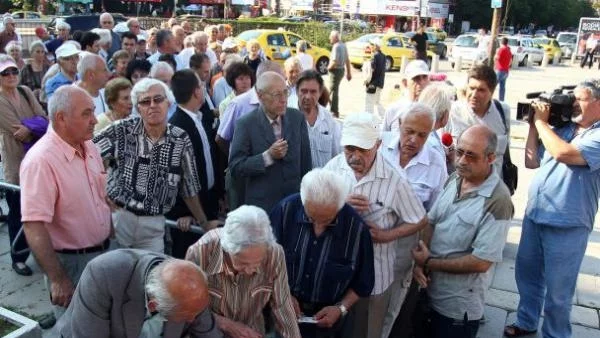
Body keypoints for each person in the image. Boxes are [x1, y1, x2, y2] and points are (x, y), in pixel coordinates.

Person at [504, 80, 600, 338]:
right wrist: (534, 128)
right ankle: (526, 321)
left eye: (581, 99)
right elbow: (531, 161)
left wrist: (541, 123)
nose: (574, 105)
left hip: (568, 224)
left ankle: (556, 334)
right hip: (537, 215)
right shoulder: (564, 128)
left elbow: (564, 154)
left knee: (559, 292)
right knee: (528, 277)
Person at [323, 112, 427, 338]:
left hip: (376, 273)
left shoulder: (394, 179)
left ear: (378, 145)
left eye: (363, 149)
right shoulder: (333, 167)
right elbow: (314, 207)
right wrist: (340, 204)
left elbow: (419, 218)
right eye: (350, 148)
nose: (355, 156)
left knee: (368, 330)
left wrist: (388, 235)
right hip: (338, 270)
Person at [93, 78, 217, 253]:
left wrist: (203, 223)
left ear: (168, 102)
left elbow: (188, 186)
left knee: (152, 276)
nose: (152, 105)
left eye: (158, 99)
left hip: (154, 224)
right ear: (138, 108)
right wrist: (100, 191)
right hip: (120, 219)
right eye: (145, 101)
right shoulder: (121, 130)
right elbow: (87, 156)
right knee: (117, 277)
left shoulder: (180, 138)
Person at [412, 125, 513, 338]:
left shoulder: (498, 201)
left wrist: (429, 262)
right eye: (459, 152)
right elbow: (431, 221)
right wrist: (421, 262)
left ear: (490, 158)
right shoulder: (456, 178)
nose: (462, 161)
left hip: (457, 309)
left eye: (471, 156)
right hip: (429, 293)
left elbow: (481, 261)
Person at [20, 85, 112, 319]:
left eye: (93, 111)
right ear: (61, 118)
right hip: (70, 264)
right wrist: (58, 279)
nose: (94, 120)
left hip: (102, 254)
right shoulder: (41, 161)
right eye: (86, 114)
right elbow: (33, 225)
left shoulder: (89, 145)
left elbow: (99, 196)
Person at [270, 168, 375, 338]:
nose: (318, 226)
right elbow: (265, 263)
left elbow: (363, 282)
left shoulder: (357, 229)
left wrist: (340, 308)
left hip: (331, 321)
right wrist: (283, 296)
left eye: (327, 220)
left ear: (340, 206)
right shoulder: (284, 211)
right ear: (304, 202)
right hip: (286, 313)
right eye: (311, 218)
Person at [378, 103, 448, 337]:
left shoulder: (436, 163)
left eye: (422, 135)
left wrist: (422, 259)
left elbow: (434, 216)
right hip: (370, 241)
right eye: (409, 131)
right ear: (398, 125)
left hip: (404, 251)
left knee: (392, 310)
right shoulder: (378, 147)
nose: (414, 140)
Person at [186, 205, 301, 338]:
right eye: (243, 263)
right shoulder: (200, 252)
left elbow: (283, 307)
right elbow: (188, 308)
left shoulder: (274, 253)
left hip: (252, 332)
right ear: (227, 249)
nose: (250, 270)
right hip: (209, 332)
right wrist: (226, 324)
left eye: (257, 263)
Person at [54, 249, 222, 338]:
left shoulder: (188, 289)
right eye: (187, 316)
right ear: (153, 305)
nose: (193, 320)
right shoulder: (102, 274)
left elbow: (208, 332)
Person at [229, 71, 312, 212]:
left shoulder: (297, 118)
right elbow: (236, 167)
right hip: (263, 208)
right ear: (260, 96)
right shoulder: (246, 124)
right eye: (277, 94)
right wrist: (267, 156)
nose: (283, 99)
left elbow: (306, 163)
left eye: (285, 92)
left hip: (294, 203)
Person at [0, 56, 47, 276]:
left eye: (13, 71)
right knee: (17, 211)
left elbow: (43, 118)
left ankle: (39, 251)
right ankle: (17, 257)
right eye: (5, 73)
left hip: (36, 157)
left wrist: (30, 127)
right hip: (15, 159)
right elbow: (14, 129)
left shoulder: (25, 92)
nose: (10, 76)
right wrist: (33, 126)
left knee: (38, 209)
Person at [167, 69, 221, 259]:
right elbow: (175, 177)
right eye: (201, 86)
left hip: (208, 203)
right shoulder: (177, 127)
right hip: (188, 218)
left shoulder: (199, 118)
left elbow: (209, 160)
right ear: (197, 92)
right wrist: (186, 213)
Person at [444, 64, 510, 177]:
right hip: (460, 187)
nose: (474, 95)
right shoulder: (452, 112)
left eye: (481, 90)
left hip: (493, 188)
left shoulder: (503, 111)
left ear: (492, 92)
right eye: (472, 88)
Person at [296, 70, 341, 168]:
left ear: (320, 93)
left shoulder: (329, 119)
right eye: (303, 91)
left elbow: (337, 155)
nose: (307, 96)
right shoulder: (287, 118)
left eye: (313, 92)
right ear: (296, 91)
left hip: (323, 181)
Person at [382, 59, 430, 132]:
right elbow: (383, 139)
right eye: (416, 78)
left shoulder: (432, 111)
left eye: (424, 77)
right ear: (405, 83)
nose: (422, 82)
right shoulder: (393, 110)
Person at [327, 30, 351, 118]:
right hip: (341, 70)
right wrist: (348, 73)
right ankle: (331, 109)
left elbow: (334, 62)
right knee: (333, 91)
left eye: (331, 37)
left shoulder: (336, 46)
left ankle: (334, 111)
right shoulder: (343, 45)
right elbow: (347, 60)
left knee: (331, 91)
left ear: (335, 38)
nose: (329, 38)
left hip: (335, 71)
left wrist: (328, 68)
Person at [364, 39, 386, 117]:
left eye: (372, 45)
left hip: (373, 83)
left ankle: (368, 118)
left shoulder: (374, 56)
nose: (371, 46)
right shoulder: (384, 56)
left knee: (369, 102)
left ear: (376, 46)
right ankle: (383, 116)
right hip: (380, 82)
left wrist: (366, 80)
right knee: (377, 101)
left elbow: (371, 70)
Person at [494, 37, 512, 102]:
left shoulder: (501, 49)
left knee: (492, 85)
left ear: (501, 42)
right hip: (506, 70)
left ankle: (488, 99)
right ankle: (501, 101)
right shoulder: (508, 50)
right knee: (502, 87)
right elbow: (510, 61)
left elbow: (496, 57)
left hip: (499, 69)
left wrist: (496, 53)